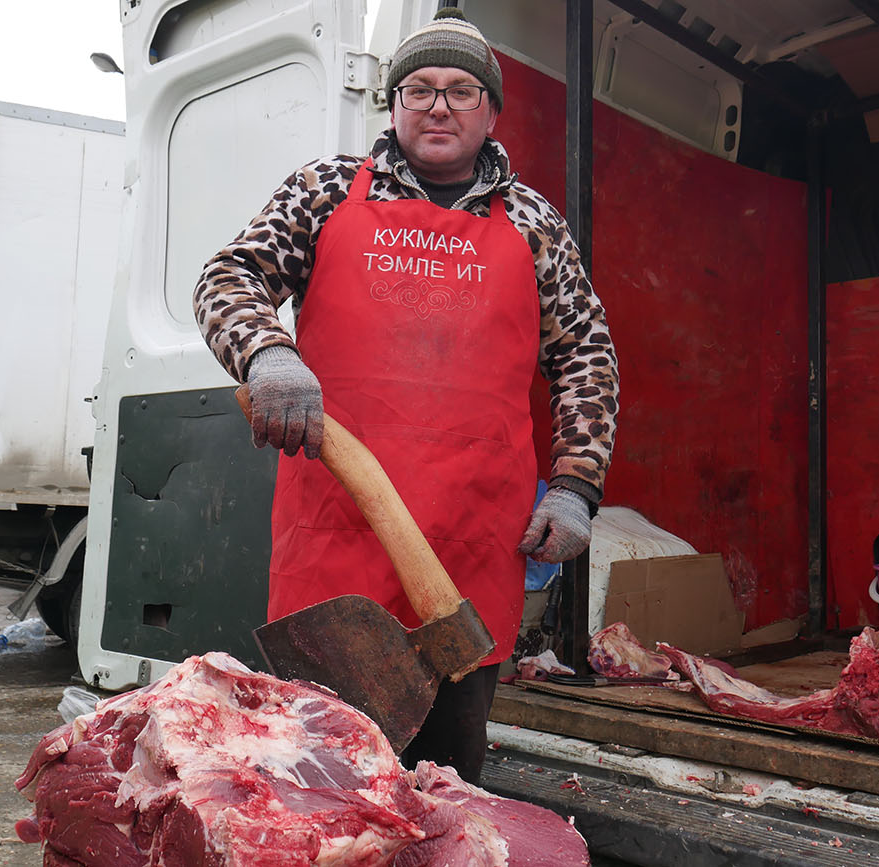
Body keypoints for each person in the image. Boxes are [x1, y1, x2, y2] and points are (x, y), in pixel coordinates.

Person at [193, 8, 618, 784]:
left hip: (467, 547)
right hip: (334, 541)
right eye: (418, 89)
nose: (438, 105)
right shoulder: (325, 190)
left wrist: (575, 483)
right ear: (392, 106)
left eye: (461, 90)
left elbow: (585, 352)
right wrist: (268, 353)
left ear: (491, 112)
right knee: (318, 777)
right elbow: (230, 277)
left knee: (446, 782)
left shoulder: (533, 224)